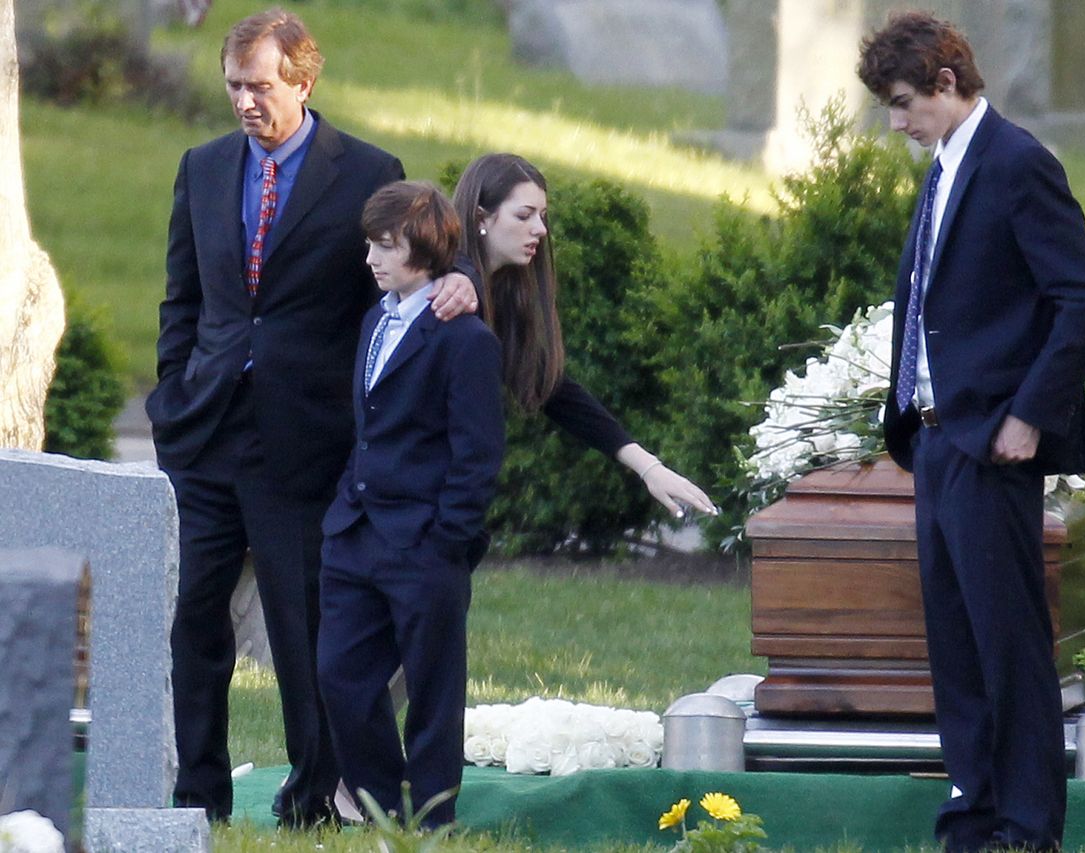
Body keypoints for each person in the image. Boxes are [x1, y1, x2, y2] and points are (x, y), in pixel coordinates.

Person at [857, 12, 1085, 852]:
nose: (896, 122)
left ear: (945, 81)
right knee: (959, 647)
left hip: (993, 443)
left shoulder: (1015, 162)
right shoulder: (945, 165)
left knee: (1008, 645)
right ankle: (974, 817)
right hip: (938, 442)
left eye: (903, 103)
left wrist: (1030, 413)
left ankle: (1028, 826)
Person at [145, 8, 407, 826]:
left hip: (305, 441)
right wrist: (172, 396)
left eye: (259, 86)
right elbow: (183, 298)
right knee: (193, 622)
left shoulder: (367, 173)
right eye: (233, 86)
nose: (244, 102)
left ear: (304, 79)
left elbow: (388, 305)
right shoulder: (203, 166)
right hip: (205, 432)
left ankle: (312, 799)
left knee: (304, 629)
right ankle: (199, 798)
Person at [316, 181, 504, 829]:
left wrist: (447, 537)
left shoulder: (465, 339)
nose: (371, 258)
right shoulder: (377, 318)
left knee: (432, 688)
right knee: (340, 675)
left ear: (424, 249)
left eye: (386, 246)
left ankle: (431, 820)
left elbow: (477, 453)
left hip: (424, 541)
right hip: (355, 531)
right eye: (370, 243)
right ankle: (379, 805)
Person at [436, 153, 716, 517]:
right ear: (480, 218)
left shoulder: (500, 295)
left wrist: (649, 467)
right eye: (524, 215)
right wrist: (458, 273)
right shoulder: (442, 292)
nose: (540, 229)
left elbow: (553, 388)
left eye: (542, 216)